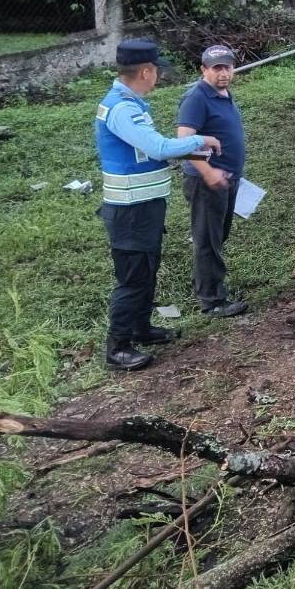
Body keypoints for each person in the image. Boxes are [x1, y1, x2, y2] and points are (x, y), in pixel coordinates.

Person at [95, 39, 220, 371]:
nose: (158, 77)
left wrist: (189, 152)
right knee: (133, 277)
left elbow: (148, 151)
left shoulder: (131, 103)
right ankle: (118, 348)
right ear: (146, 72)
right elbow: (157, 146)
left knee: (147, 271)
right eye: (157, 72)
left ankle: (141, 328)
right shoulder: (121, 109)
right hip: (130, 208)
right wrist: (199, 140)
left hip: (144, 205)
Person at [176, 45, 250, 320]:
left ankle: (206, 284)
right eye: (216, 68)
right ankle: (213, 301)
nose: (223, 73)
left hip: (227, 179)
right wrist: (208, 172)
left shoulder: (224, 94)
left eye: (227, 67)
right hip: (206, 182)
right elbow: (184, 139)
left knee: (218, 236)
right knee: (208, 239)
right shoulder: (196, 98)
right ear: (203, 69)